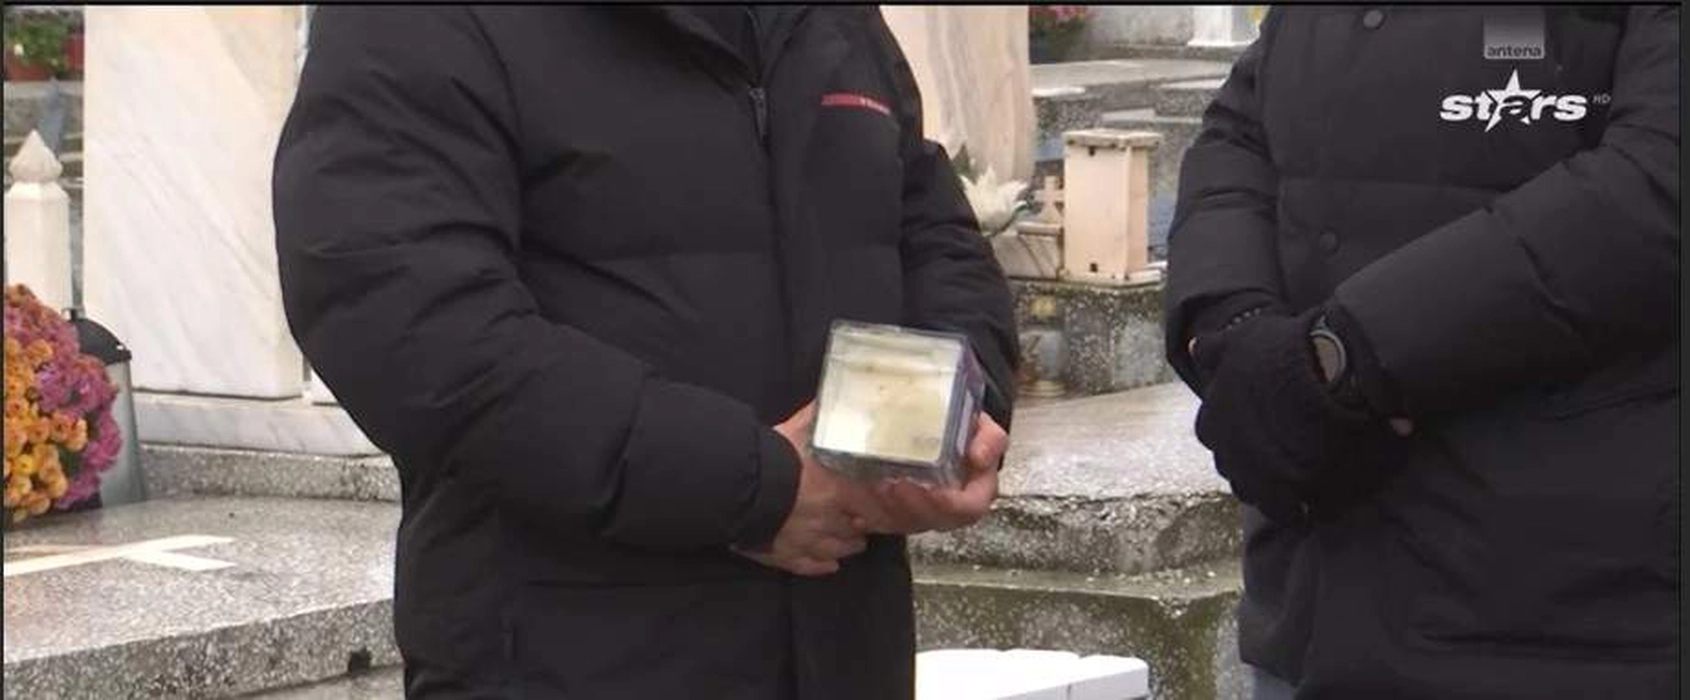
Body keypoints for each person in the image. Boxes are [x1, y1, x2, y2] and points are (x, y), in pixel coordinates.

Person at [273, 6, 1018, 698]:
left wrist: (949, 421)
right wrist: (753, 488)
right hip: (565, 651)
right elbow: (408, 321)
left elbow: (931, 231)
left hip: (843, 643)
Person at [1164, 6, 1676, 699]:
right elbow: (1238, 135)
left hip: (1561, 621)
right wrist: (1235, 323)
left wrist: (1348, 356)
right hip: (1316, 596)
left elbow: (1655, 188)